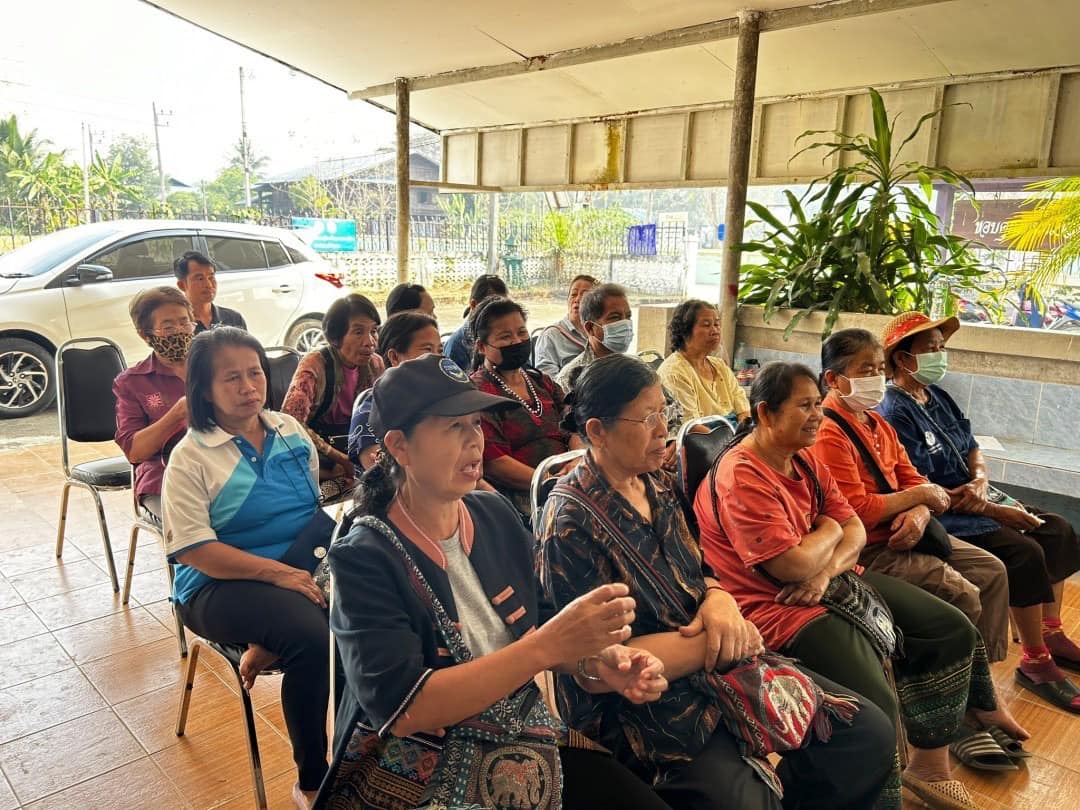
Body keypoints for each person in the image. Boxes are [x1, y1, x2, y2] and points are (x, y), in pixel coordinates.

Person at [538, 354, 895, 810]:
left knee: (866, 734)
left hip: (717, 660)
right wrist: (723, 640)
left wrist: (719, 598)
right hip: (640, 702)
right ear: (597, 431)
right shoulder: (569, 520)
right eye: (647, 419)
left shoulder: (658, 483)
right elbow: (590, 662)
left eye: (664, 413)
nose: (663, 429)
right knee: (745, 802)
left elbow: (701, 566)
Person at [321, 354, 672, 810]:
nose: (475, 441)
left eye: (475, 424)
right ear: (400, 447)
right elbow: (405, 710)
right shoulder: (364, 557)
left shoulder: (493, 515)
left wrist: (598, 663)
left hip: (514, 729)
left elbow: (539, 622)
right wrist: (547, 647)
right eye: (454, 427)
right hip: (420, 762)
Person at [693, 361, 1027, 810]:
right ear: (766, 413)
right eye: (804, 406)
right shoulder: (742, 475)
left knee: (950, 629)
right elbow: (791, 566)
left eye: (818, 404)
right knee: (874, 708)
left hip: (832, 583)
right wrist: (830, 531)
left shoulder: (804, 457)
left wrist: (827, 566)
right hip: (774, 608)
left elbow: (853, 528)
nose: (817, 415)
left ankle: (930, 766)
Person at [161, 327, 337, 810]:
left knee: (377, 601)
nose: (248, 387)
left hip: (299, 565)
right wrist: (277, 575)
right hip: (217, 584)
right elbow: (195, 550)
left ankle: (363, 748)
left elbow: (308, 514)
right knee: (311, 636)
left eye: (255, 373)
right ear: (204, 390)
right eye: (231, 378)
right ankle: (312, 781)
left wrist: (293, 573)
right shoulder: (191, 456)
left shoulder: (290, 431)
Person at [878, 311, 1080, 713]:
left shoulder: (937, 396)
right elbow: (921, 487)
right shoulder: (893, 411)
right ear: (902, 358)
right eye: (931, 349)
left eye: (941, 347)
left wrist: (982, 478)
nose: (940, 355)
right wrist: (997, 512)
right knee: (1024, 552)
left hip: (978, 497)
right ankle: (1035, 660)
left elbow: (972, 446)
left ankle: (1050, 632)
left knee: (1057, 529)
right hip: (945, 512)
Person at [812, 328, 1011, 662]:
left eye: (880, 369)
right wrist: (922, 495)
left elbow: (914, 478)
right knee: (962, 594)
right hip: (869, 546)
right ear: (833, 379)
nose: (877, 378)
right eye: (866, 370)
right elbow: (858, 510)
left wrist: (919, 510)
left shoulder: (878, 424)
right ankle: (950, 680)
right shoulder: (828, 432)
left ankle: (981, 676)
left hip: (907, 530)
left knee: (992, 572)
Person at [469, 297, 582, 516]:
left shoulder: (541, 381)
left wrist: (576, 461)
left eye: (522, 333)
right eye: (505, 337)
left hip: (567, 482)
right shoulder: (479, 393)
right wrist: (549, 481)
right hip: (522, 499)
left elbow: (573, 425)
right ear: (482, 347)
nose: (517, 341)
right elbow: (494, 463)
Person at [556, 283, 685, 470]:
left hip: (657, 458)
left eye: (628, 317)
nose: (625, 324)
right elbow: (577, 435)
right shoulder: (572, 377)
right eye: (615, 317)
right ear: (590, 328)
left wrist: (673, 440)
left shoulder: (637, 366)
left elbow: (674, 409)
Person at [282, 294, 384, 498]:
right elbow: (290, 423)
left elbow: (383, 415)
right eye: (358, 332)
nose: (369, 341)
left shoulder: (376, 364)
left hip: (357, 449)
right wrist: (339, 458)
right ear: (336, 337)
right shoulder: (315, 365)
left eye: (373, 331)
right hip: (321, 456)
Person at [113, 287, 193, 518]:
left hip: (223, 467)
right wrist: (176, 415)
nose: (180, 332)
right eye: (168, 327)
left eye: (184, 323)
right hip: (164, 476)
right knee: (191, 526)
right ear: (145, 335)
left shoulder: (214, 366)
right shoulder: (132, 382)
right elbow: (134, 452)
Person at [347, 311, 442, 469]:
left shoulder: (444, 402)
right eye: (427, 350)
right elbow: (383, 474)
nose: (437, 359)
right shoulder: (369, 412)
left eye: (440, 351)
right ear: (395, 357)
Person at [658, 300, 750, 424]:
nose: (715, 331)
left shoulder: (720, 366)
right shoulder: (674, 373)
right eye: (707, 325)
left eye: (717, 324)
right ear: (685, 331)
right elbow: (691, 427)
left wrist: (743, 430)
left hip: (732, 432)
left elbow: (744, 411)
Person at [534, 274, 597, 376]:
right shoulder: (551, 336)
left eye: (585, 295)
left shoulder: (602, 335)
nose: (577, 299)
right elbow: (547, 382)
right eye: (573, 294)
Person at [443, 273, 508, 370]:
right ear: (474, 305)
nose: (501, 315)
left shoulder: (509, 337)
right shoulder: (456, 345)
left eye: (505, 308)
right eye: (494, 309)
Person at [173, 250, 247, 333]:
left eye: (211, 278)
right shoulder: (176, 327)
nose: (208, 284)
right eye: (200, 279)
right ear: (182, 285)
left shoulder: (233, 319)